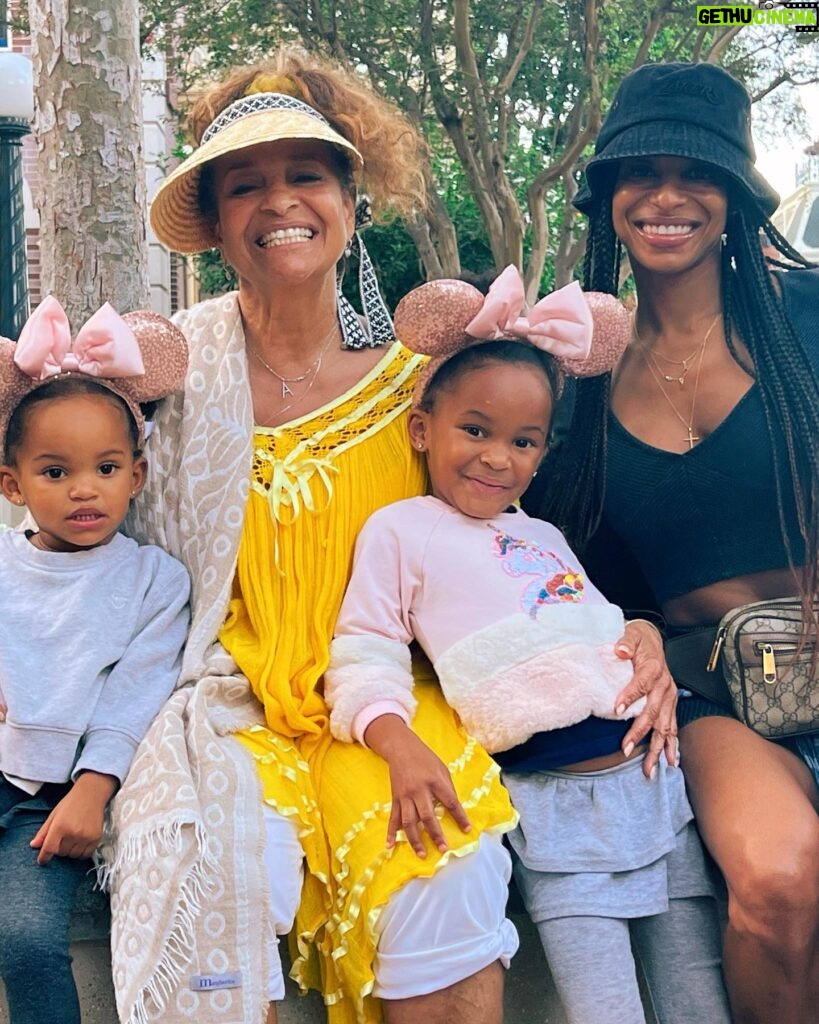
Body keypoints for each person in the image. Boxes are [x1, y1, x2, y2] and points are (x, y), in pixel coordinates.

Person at [102, 49, 676, 1024]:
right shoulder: (175, 379)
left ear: (348, 199)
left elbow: (531, 528)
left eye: (305, 175)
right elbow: (77, 524)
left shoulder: (420, 385)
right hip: (230, 700)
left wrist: (642, 629)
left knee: (441, 875)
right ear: (215, 224)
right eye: (246, 184)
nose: (278, 201)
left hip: (398, 701)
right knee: (218, 885)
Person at [324, 268, 731, 1024]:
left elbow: (595, 621)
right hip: (555, 808)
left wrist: (642, 640)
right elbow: (364, 652)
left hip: (655, 786)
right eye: (473, 430)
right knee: (604, 1011)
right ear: (423, 429)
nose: (496, 457)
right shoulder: (401, 531)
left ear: (542, 453)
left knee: (697, 1003)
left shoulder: (542, 535)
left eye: (522, 441)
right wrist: (398, 744)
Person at [529, 62, 819, 1024]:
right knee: (778, 881)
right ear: (605, 198)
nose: (664, 197)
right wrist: (635, 628)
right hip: (713, 693)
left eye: (694, 173)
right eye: (637, 174)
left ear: (734, 197)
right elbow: (569, 558)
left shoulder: (806, 320)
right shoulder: (573, 372)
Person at [0, 297, 191, 1024]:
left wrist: (93, 788)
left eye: (106, 467)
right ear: (12, 485)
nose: (85, 488)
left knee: (24, 940)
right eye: (55, 472)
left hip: (44, 803)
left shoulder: (152, 580)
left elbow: (136, 693)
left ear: (136, 476)